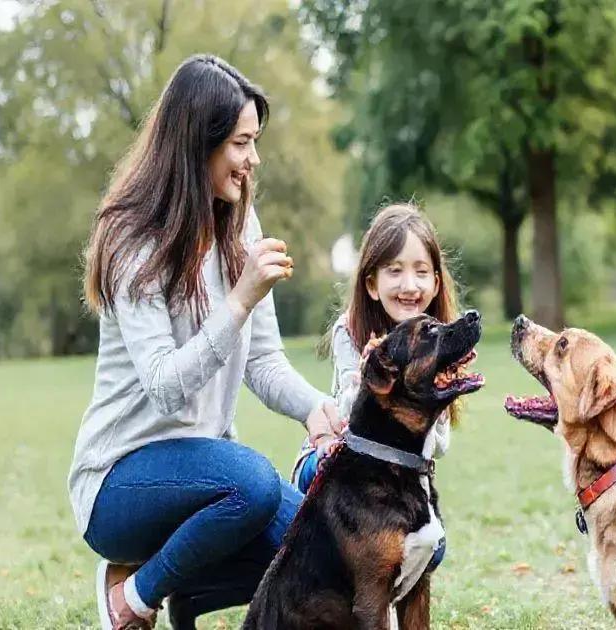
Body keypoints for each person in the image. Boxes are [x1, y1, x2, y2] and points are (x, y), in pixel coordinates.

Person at [69, 54, 342, 629]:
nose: (253, 159)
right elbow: (166, 386)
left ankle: (184, 593)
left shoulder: (240, 221)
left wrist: (317, 409)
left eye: (254, 142)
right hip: (120, 484)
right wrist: (239, 298)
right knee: (252, 482)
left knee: (328, 553)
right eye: (242, 143)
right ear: (201, 142)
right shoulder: (131, 237)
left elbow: (263, 360)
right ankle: (132, 594)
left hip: (209, 479)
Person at [291, 202, 460, 494]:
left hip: (393, 479)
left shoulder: (435, 349)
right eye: (394, 271)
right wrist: (368, 380)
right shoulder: (350, 331)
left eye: (421, 272)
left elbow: (439, 447)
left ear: (435, 283)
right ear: (371, 284)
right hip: (333, 461)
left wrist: (435, 401)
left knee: (429, 535)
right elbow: (352, 417)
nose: (409, 285)